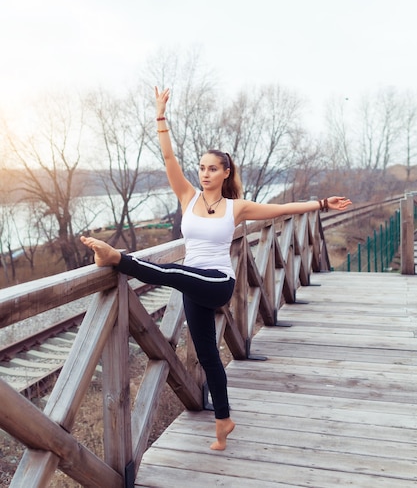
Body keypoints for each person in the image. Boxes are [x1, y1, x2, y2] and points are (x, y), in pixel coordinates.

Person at [81, 86, 352, 451]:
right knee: (208, 355)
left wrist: (321, 203)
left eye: (212, 169)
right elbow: (168, 159)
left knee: (173, 274)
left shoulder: (236, 207)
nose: (205, 174)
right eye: (202, 168)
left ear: (226, 172)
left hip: (218, 282)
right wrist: (160, 116)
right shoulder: (187, 196)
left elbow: (283, 209)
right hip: (195, 284)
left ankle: (117, 259)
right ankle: (223, 420)